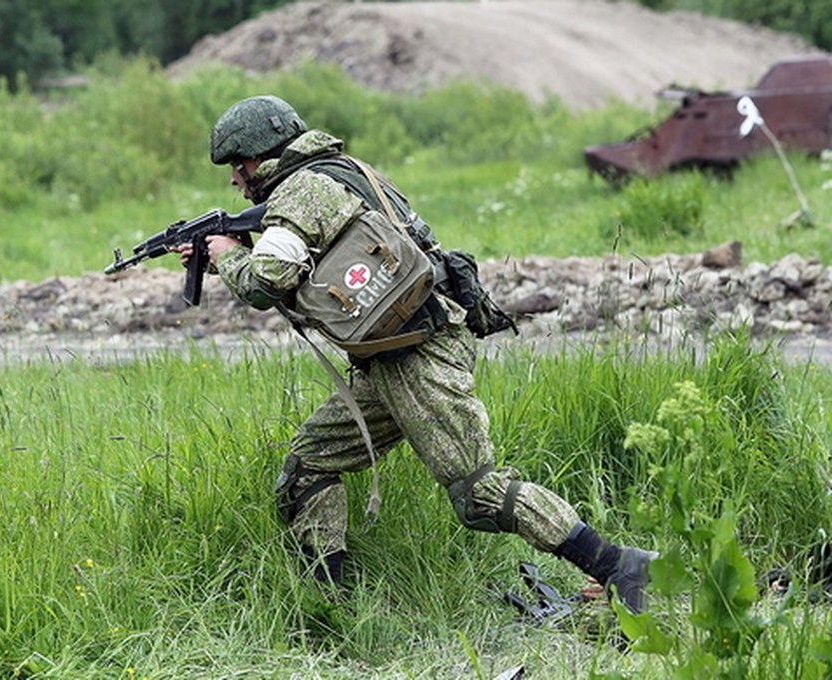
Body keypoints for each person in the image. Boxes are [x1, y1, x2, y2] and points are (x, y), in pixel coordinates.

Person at [173, 95, 655, 614]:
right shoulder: (341, 170)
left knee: (479, 494)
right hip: (394, 352)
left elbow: (270, 281)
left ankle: (618, 566)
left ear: (255, 158)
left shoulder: (301, 191)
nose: (233, 180)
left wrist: (229, 257)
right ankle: (335, 608)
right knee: (307, 469)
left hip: (418, 355)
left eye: (234, 167)